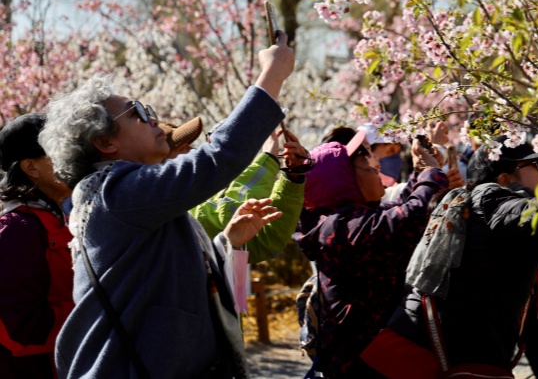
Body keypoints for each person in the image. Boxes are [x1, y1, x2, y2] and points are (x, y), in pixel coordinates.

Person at [40, 33, 295, 378]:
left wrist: (226, 242)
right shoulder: (114, 192)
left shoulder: (121, 193)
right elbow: (217, 158)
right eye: (139, 113)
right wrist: (272, 77)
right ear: (105, 142)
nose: (155, 121)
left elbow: (171, 276)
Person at [363, 133, 538, 377]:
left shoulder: (502, 218)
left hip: (439, 353)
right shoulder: (493, 202)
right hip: (417, 360)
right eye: (535, 166)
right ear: (504, 179)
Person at [294, 130, 449, 378]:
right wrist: (431, 175)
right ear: (344, 180)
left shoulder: (351, 217)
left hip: (373, 356)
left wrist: (422, 171)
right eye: (366, 163)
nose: (376, 165)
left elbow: (402, 206)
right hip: (360, 364)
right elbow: (410, 219)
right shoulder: (341, 227)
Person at [0, 114, 73, 378]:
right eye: (59, 148)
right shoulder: (17, 231)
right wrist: (97, 309)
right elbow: (20, 328)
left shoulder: (62, 216)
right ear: (31, 168)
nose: (74, 155)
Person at [192, 128, 309, 262]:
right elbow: (230, 213)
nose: (192, 151)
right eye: (182, 147)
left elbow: (266, 239)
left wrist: (292, 178)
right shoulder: (181, 210)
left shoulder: (193, 201)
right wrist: (270, 160)